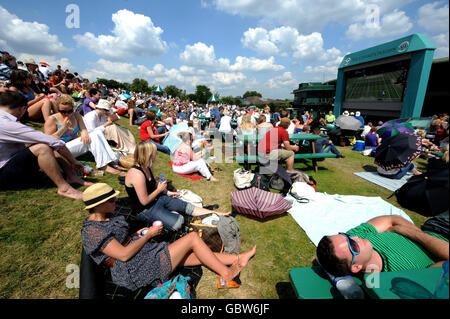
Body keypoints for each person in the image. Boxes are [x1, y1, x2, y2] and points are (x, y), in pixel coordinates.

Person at [81, 182, 256, 292]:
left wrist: (137, 234)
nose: (115, 202)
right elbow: (123, 255)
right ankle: (226, 275)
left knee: (192, 256)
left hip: (140, 254)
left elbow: (122, 240)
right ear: (99, 205)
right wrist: (148, 235)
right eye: (111, 200)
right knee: (193, 238)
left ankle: (237, 257)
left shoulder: (107, 218)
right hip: (132, 268)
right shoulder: (92, 231)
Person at [0, 91, 88, 199]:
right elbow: (51, 141)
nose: (67, 113)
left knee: (44, 144)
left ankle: (71, 177)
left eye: (70, 111)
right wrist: (73, 161)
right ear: (22, 109)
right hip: (4, 172)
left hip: (9, 163)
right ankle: (64, 187)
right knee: (43, 147)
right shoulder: (6, 124)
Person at [125, 142, 222, 231]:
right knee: (178, 223)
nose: (157, 154)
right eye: (155, 153)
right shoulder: (137, 174)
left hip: (157, 199)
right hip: (145, 209)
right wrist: (159, 189)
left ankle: (219, 214)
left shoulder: (148, 166)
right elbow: (144, 201)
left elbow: (152, 186)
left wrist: (168, 192)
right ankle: (172, 213)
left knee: (187, 206)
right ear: (148, 155)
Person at [316, 215, 449, 277]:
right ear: (356, 267)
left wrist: (426, 238)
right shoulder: (401, 275)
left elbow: (392, 219)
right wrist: (404, 230)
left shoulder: (359, 237)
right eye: (352, 245)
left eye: (347, 236)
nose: (355, 237)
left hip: (436, 224)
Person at [44, 94, 125, 176]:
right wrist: (63, 128)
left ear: (73, 108)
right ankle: (103, 165)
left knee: (96, 133)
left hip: (73, 147)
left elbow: (84, 130)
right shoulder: (52, 119)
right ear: (58, 109)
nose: (67, 114)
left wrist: (84, 133)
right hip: (60, 150)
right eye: (63, 112)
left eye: (69, 111)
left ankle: (110, 161)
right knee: (94, 135)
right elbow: (48, 141)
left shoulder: (76, 115)